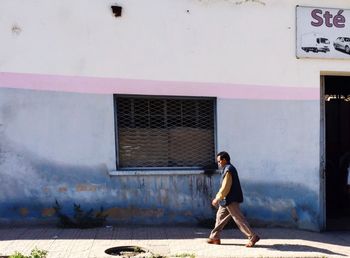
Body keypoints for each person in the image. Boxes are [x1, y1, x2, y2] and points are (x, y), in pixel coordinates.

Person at [207, 151, 260, 247]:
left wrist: (217, 198)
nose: (218, 163)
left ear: (224, 160)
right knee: (220, 217)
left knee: (239, 219)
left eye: (219, 161)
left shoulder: (229, 169)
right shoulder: (226, 169)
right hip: (226, 200)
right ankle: (215, 237)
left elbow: (225, 186)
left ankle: (253, 236)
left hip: (231, 199)